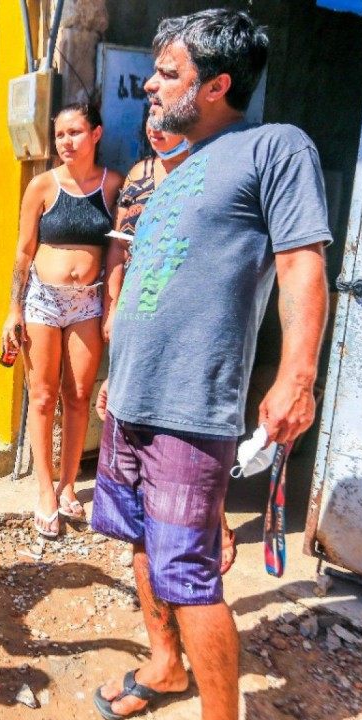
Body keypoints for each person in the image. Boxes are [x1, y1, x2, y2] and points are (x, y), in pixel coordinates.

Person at [91, 10, 331, 720]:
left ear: (217, 84)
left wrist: (297, 374)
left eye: (168, 72)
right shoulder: (170, 173)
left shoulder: (274, 149)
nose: (152, 85)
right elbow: (145, 288)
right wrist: (114, 375)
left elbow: (301, 265)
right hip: (129, 402)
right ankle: (165, 665)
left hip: (190, 411)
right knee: (137, 539)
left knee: (191, 572)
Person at [108, 110, 239, 575]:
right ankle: (149, 534)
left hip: (194, 326)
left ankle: (213, 523)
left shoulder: (207, 170)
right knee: (143, 438)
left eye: (165, 120)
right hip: (140, 321)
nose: (154, 127)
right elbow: (121, 246)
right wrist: (114, 311)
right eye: (148, 119)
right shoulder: (139, 177)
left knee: (197, 438)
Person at [1, 99, 123, 539]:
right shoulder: (42, 187)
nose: (65, 142)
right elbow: (23, 251)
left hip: (87, 302)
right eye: (59, 135)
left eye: (74, 132)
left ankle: (70, 485)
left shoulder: (113, 186)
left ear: (96, 134)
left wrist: (112, 307)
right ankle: (45, 491)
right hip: (44, 301)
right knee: (42, 396)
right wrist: (13, 308)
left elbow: (117, 252)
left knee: (77, 396)